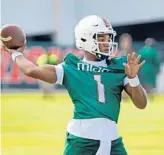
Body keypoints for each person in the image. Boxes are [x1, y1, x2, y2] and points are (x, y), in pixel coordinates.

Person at [3, 15, 147, 155]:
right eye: (101, 38)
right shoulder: (71, 68)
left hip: (112, 140)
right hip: (81, 140)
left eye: (108, 37)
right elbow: (31, 69)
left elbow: (141, 104)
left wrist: (133, 78)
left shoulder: (119, 67)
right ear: (85, 39)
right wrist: (16, 53)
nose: (107, 42)